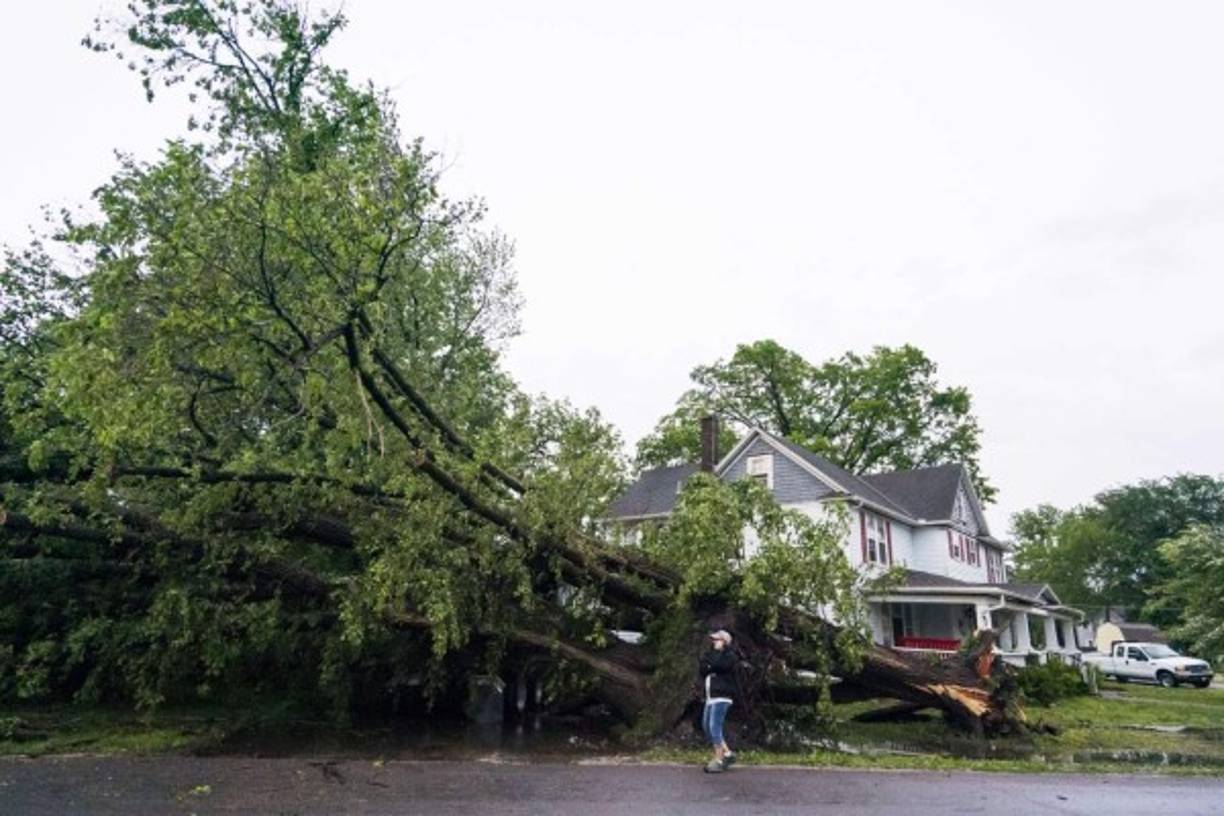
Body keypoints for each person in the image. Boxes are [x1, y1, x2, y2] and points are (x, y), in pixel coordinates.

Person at [698, 629, 737, 773]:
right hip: (710, 697)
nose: (714, 642)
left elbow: (720, 665)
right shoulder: (713, 654)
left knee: (715, 727)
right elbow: (703, 668)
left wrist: (711, 665)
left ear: (725, 642)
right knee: (706, 726)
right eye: (713, 640)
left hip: (722, 697)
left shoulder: (729, 656)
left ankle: (719, 760)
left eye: (717, 639)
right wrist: (709, 666)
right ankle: (728, 753)